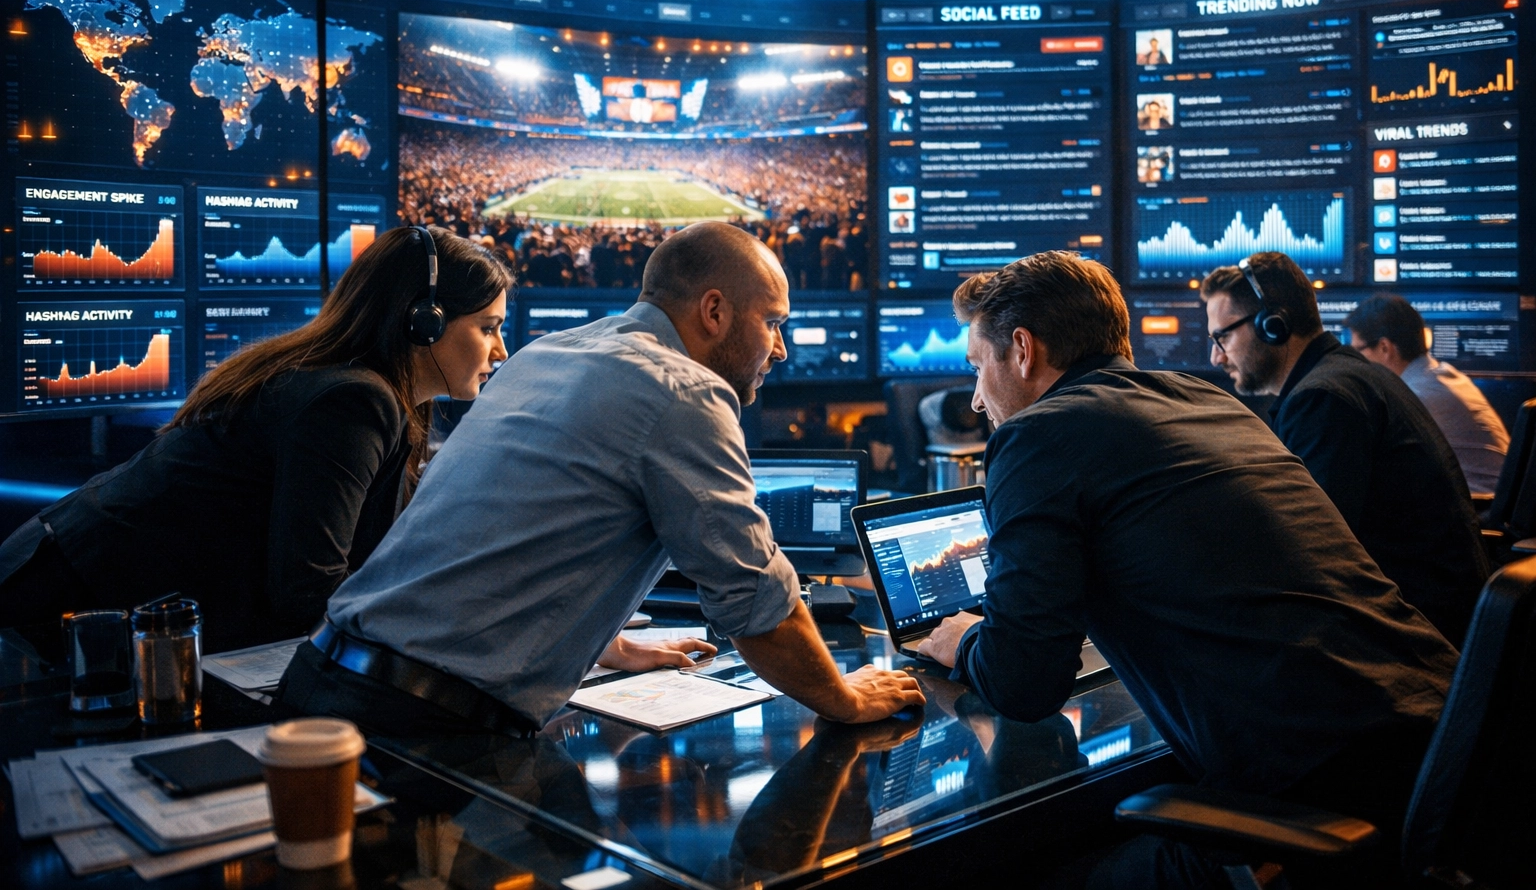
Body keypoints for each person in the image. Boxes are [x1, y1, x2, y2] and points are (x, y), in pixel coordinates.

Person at [915, 251, 1459, 888]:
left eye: (979, 368)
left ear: (1023, 350)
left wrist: (966, 639)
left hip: (1332, 798)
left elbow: (1026, 681)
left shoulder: (1039, 434)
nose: (977, 400)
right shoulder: (1212, 402)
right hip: (1448, 748)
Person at [277, 221, 924, 736]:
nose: (780, 350)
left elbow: (505, 545)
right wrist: (843, 699)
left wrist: (605, 644)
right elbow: (756, 604)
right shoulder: (685, 392)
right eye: (773, 323)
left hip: (320, 677)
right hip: (419, 724)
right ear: (715, 310)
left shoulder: (547, 352)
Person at [0, 226, 512, 642]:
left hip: (90, 592)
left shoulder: (378, 399)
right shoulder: (353, 401)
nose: (501, 351)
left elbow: (389, 562)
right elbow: (311, 592)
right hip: (63, 600)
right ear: (423, 322)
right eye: (487, 327)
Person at [1202, 252, 1491, 644]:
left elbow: (1308, 553)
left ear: (1273, 325)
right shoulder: (1351, 376)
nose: (1216, 356)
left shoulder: (1324, 398)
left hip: (1414, 639)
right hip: (1438, 623)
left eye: (1223, 337)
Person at [1344, 294, 1510, 496]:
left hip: (1476, 510)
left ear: (1384, 348)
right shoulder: (1440, 377)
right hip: (1491, 507)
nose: (1355, 362)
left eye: (1357, 351)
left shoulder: (1416, 395)